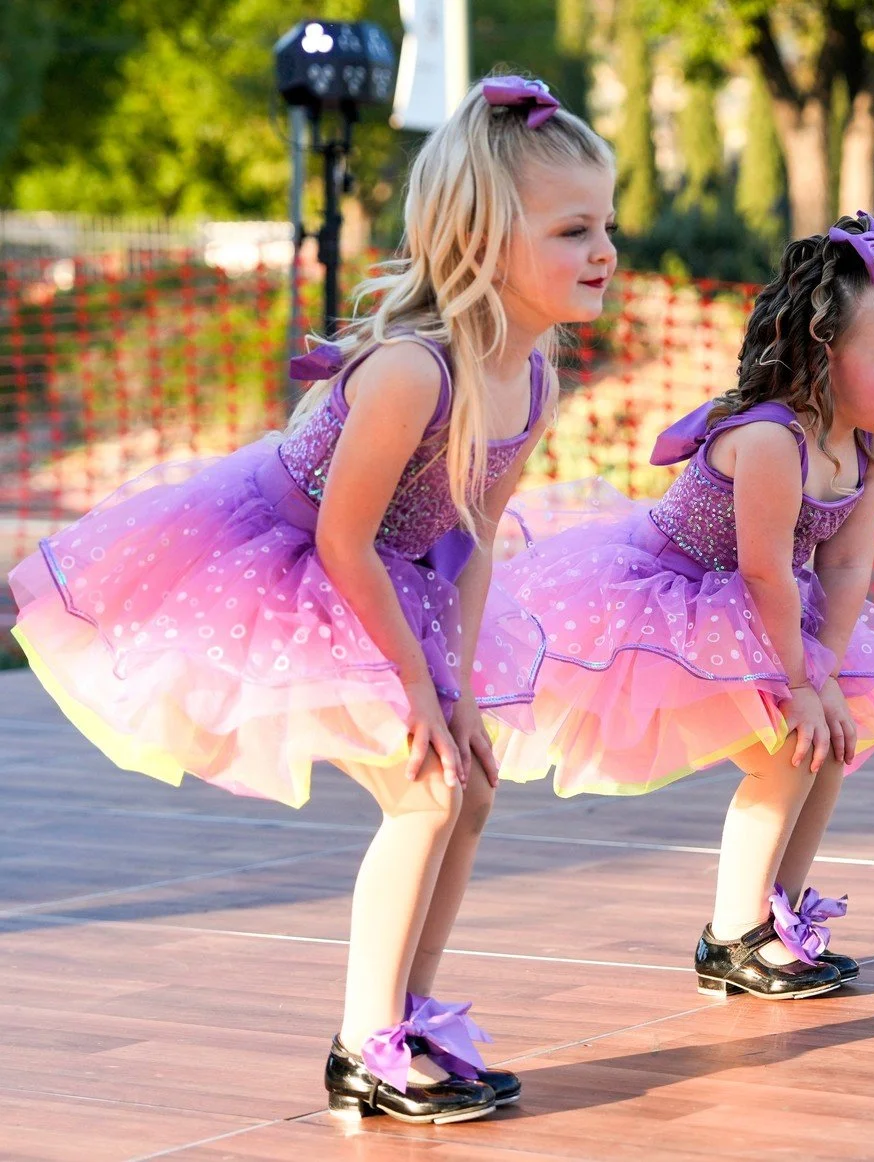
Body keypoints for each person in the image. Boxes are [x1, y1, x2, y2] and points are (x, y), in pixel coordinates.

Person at [7, 74, 616, 1122]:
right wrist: (412, 693)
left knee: (468, 783)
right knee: (422, 788)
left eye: (608, 223)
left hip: (402, 569)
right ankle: (364, 1044)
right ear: (479, 241)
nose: (604, 249)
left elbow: (468, 539)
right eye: (573, 230)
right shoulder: (411, 372)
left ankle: (412, 1017)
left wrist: (458, 690)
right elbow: (341, 536)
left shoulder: (533, 374)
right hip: (299, 563)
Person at [492, 212, 874, 998]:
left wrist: (825, 671)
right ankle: (731, 938)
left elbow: (845, 558)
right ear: (823, 355)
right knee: (783, 749)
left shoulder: (865, 442)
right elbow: (764, 573)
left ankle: (779, 916)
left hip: (765, 603)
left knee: (830, 744)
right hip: (682, 595)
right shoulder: (771, 440)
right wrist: (801, 683)